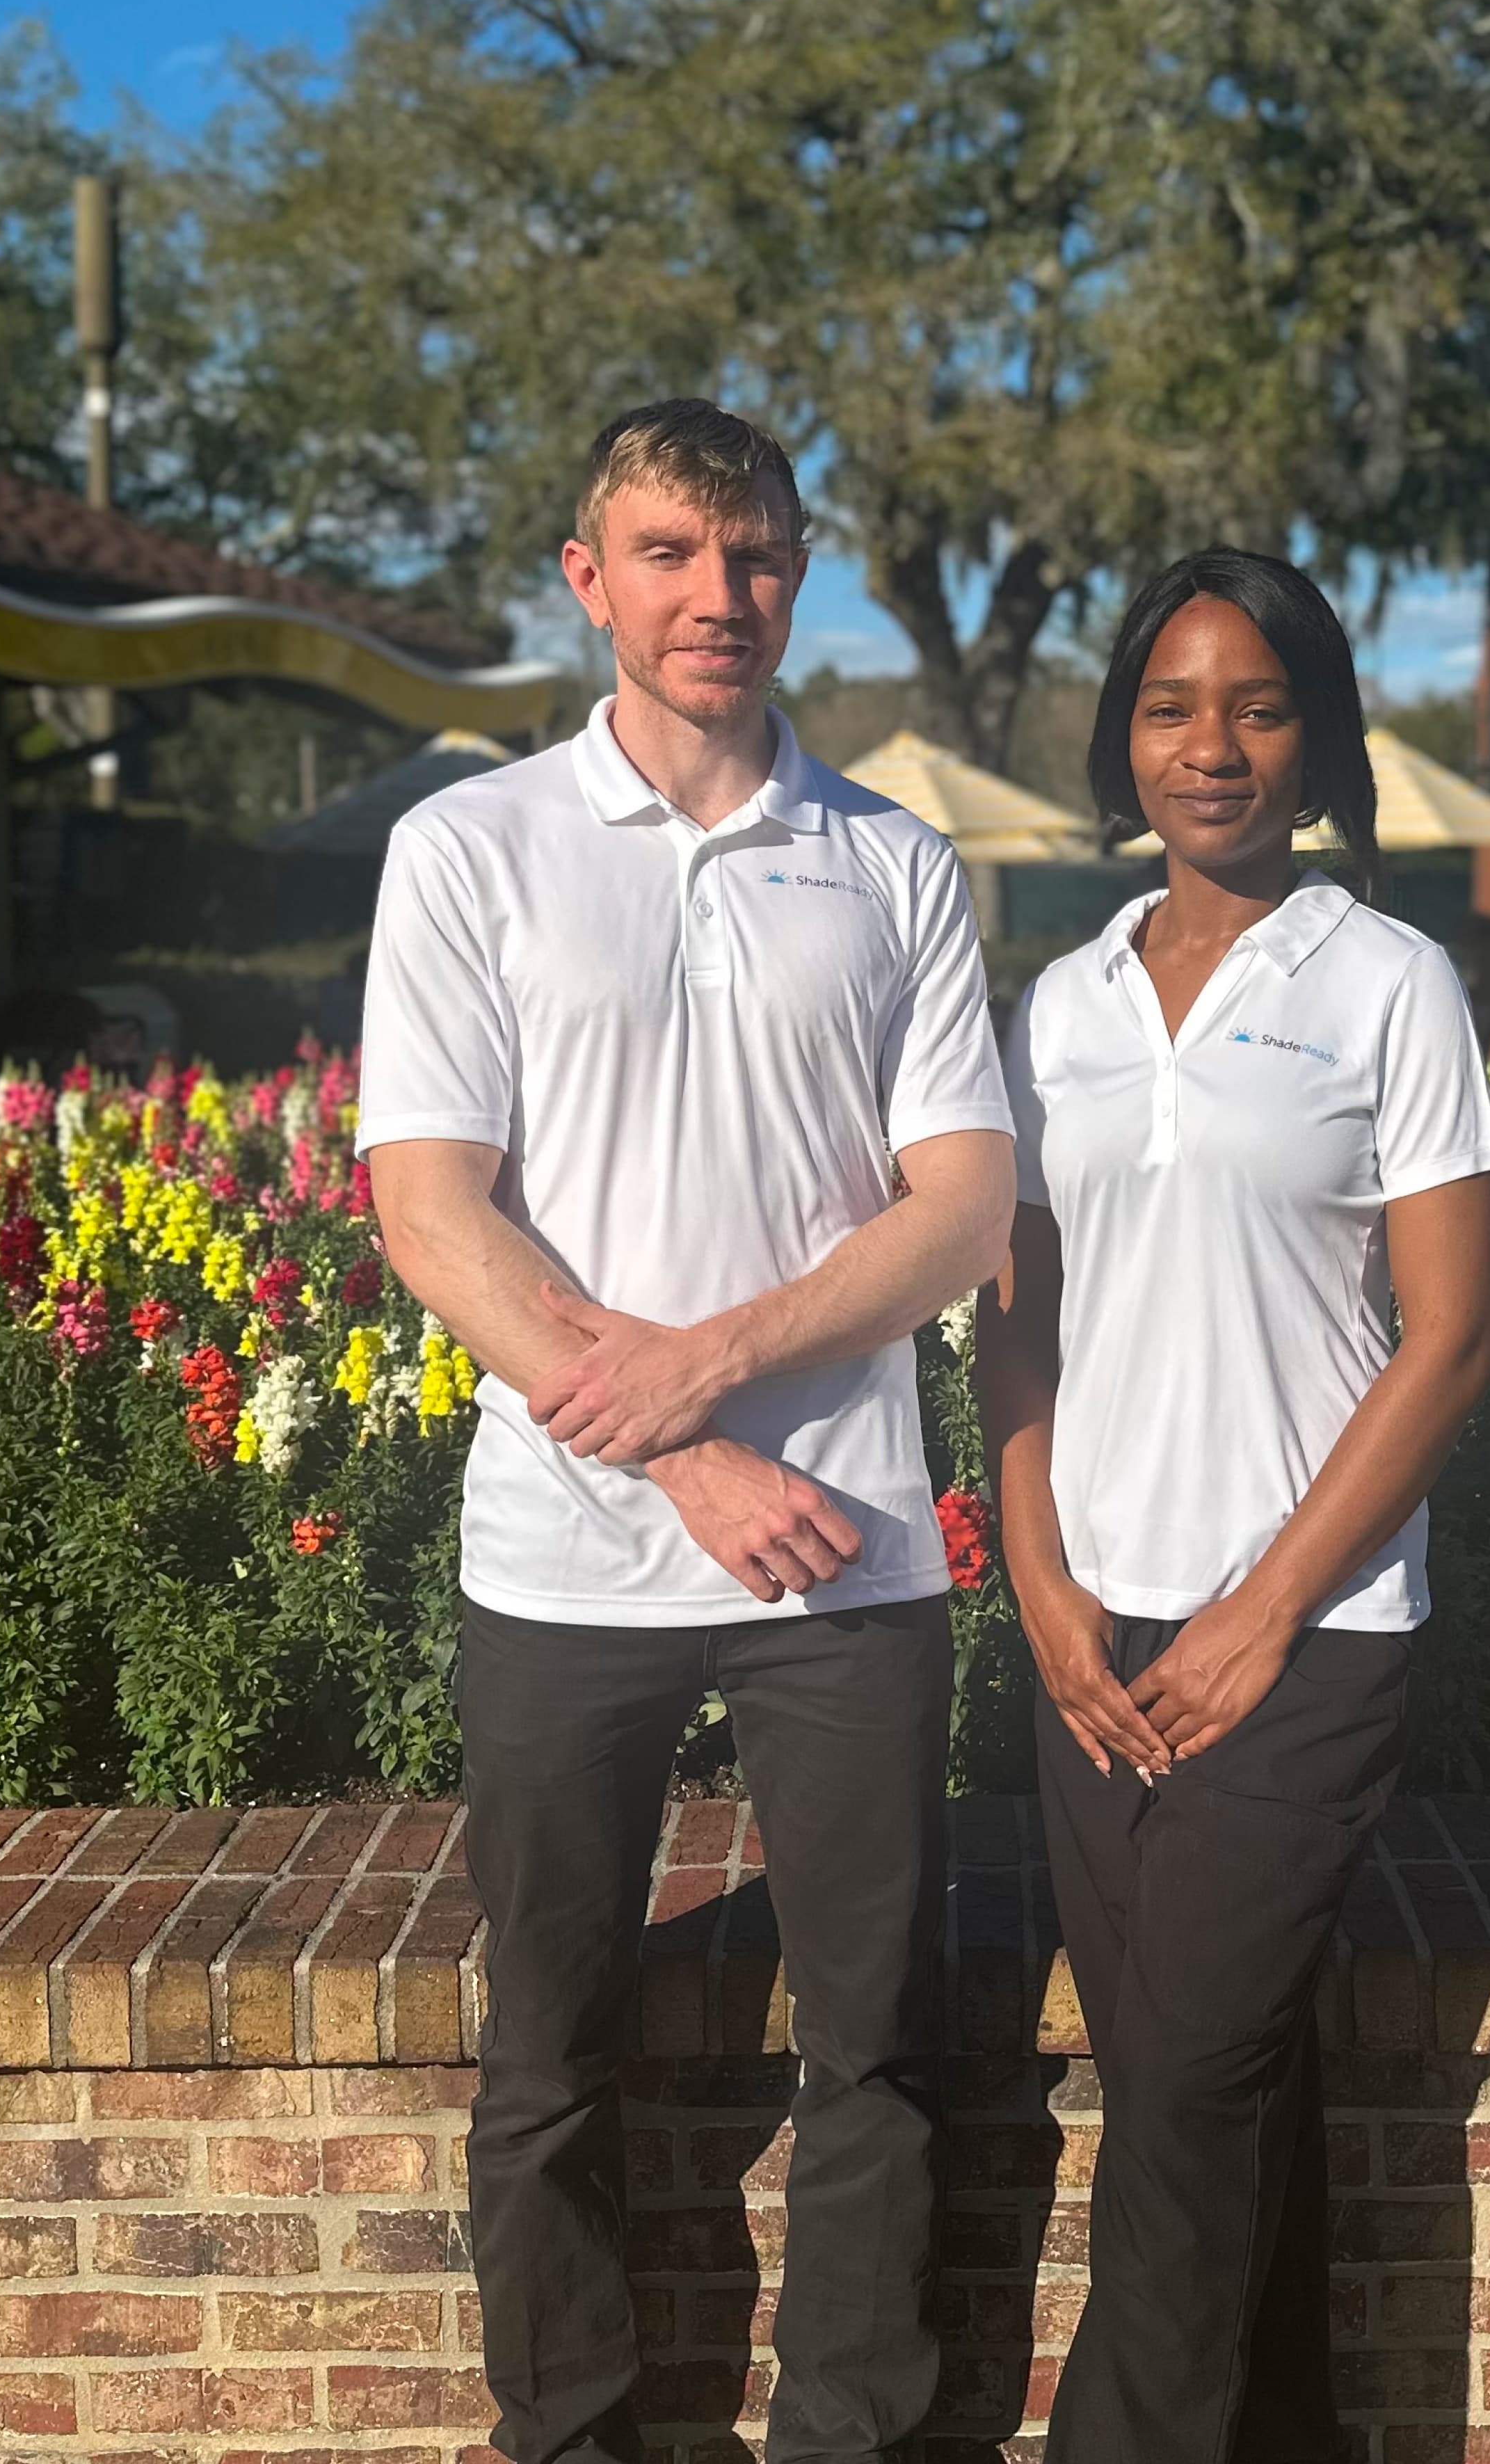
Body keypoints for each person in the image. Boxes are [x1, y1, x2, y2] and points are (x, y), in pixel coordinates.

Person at [358, 398, 1018, 2464]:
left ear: (795, 574)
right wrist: (679, 1451)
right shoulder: (472, 850)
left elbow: (967, 1208)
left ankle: (850, 2437)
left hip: (855, 1558)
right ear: (590, 576)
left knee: (877, 2050)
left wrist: (711, 1372)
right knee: (547, 2056)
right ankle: (571, 2436)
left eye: (750, 560)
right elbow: (430, 1213)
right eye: (667, 555)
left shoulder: (895, 864)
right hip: (563, 1562)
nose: (714, 598)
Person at [977, 547, 1490, 2463]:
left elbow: (1450, 1341)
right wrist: (1037, 1583)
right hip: (1094, 1642)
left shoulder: (1387, 983)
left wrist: (1263, 1610)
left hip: (1304, 1642)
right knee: (1223, 2100)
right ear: (1127, 735)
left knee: (1184, 2115)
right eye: (1174, 705)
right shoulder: (1057, 1006)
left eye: (1260, 705)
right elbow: (1016, 1326)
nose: (1215, 745)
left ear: (1318, 738)